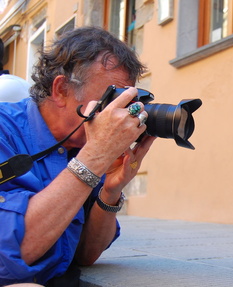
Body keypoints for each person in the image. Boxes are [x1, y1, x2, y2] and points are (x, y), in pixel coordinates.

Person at [0, 26, 156, 286]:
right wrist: (94, 157)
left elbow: (86, 254)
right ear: (61, 90)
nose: (117, 114)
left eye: (124, 101)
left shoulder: (82, 145)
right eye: (110, 99)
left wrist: (110, 191)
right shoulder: (5, 131)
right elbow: (12, 253)